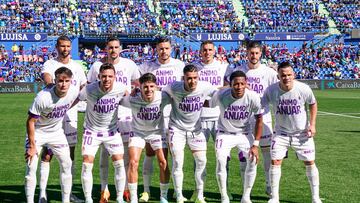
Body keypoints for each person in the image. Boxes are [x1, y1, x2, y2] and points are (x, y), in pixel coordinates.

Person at [87, 37, 140, 202]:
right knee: (103, 156)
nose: (113, 50)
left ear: (120, 48)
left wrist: (133, 94)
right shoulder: (97, 66)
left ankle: (123, 190)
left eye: (116, 47)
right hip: (105, 116)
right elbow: (90, 88)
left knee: (122, 155)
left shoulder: (129, 64)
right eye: (110, 47)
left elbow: (137, 83)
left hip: (126, 113)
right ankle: (104, 190)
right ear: (106, 48)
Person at [261, 62, 322, 203]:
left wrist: (312, 124)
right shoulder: (271, 90)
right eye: (283, 75)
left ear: (293, 75)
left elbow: (313, 103)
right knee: (275, 162)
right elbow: (261, 104)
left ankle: (315, 198)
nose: (286, 77)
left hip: (301, 133)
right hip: (281, 133)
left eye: (289, 75)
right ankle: (274, 198)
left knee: (310, 162)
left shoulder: (303, 88)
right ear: (278, 76)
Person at [225, 41, 278, 195]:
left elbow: (275, 94)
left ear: (261, 53)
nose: (253, 56)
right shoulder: (239, 71)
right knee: (245, 155)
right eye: (251, 53)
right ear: (246, 53)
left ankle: (269, 185)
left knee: (267, 153)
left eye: (256, 53)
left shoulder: (269, 73)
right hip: (244, 119)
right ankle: (245, 189)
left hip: (264, 117)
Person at [41, 35, 87, 203]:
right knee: (47, 154)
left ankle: (68, 195)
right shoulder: (50, 64)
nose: (65, 49)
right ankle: (42, 194)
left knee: (70, 155)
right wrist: (54, 90)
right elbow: (47, 78)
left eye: (68, 46)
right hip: (53, 116)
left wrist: (70, 104)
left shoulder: (77, 67)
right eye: (62, 46)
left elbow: (83, 88)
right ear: (57, 47)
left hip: (71, 115)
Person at [138, 37, 184, 202]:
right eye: (160, 49)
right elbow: (138, 85)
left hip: (175, 116)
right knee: (150, 154)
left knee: (174, 156)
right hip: (154, 117)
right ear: (155, 50)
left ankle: (176, 191)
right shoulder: (146, 67)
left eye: (166, 48)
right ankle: (146, 190)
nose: (163, 51)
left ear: (171, 48)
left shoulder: (179, 66)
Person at [163, 64, 217, 203]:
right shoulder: (174, 86)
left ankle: (199, 195)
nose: (192, 81)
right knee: (178, 162)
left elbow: (218, 94)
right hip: (177, 130)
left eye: (195, 78)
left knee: (202, 161)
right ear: (183, 78)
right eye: (189, 78)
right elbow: (163, 93)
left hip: (196, 130)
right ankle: (179, 195)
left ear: (198, 77)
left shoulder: (204, 86)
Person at [25, 67, 79, 203]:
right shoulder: (43, 97)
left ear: (71, 81)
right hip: (38, 133)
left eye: (67, 81)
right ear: (55, 81)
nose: (63, 84)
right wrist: (32, 146)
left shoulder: (73, 92)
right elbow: (30, 122)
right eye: (60, 81)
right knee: (31, 168)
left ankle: (66, 200)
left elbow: (77, 99)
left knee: (67, 164)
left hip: (56, 133)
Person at [210, 71, 262, 203]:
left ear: (246, 84)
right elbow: (208, 104)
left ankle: (246, 196)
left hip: (245, 134)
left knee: (252, 160)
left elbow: (259, 119)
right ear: (230, 85)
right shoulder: (221, 95)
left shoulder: (253, 96)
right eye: (236, 84)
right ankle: (224, 196)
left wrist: (255, 144)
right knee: (221, 161)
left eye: (242, 84)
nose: (239, 87)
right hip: (224, 133)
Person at [79, 63, 128, 203]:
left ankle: (119, 198)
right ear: (99, 76)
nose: (107, 79)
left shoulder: (120, 88)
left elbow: (129, 98)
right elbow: (77, 99)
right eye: (104, 76)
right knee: (87, 163)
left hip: (112, 132)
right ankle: (88, 199)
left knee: (119, 163)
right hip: (91, 132)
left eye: (110, 76)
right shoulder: (89, 89)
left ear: (115, 77)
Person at [121, 73, 170, 203]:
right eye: (145, 87)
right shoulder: (132, 99)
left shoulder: (162, 97)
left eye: (151, 86)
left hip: (157, 132)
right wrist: (130, 91)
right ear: (140, 87)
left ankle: (163, 196)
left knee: (163, 162)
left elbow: (178, 98)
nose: (149, 89)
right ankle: (133, 198)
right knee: (133, 162)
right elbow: (116, 100)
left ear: (156, 87)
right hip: (138, 133)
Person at [191, 40, 228, 201]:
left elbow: (228, 86)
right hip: (198, 118)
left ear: (215, 51)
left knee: (223, 157)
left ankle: (224, 191)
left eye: (210, 50)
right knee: (198, 158)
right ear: (200, 51)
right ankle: (198, 191)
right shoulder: (194, 68)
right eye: (204, 50)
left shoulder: (223, 66)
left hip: (219, 117)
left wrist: (212, 93)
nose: (207, 52)